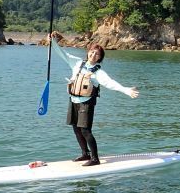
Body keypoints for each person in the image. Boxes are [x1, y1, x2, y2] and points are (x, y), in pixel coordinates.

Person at [50, 31, 139, 166]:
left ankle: (95, 158)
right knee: (75, 128)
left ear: (99, 58)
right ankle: (85, 154)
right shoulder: (77, 63)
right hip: (73, 100)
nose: (93, 55)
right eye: (92, 52)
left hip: (87, 103)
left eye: (97, 54)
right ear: (88, 52)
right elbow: (62, 54)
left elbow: (111, 83)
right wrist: (53, 42)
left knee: (85, 130)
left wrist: (126, 90)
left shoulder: (98, 72)